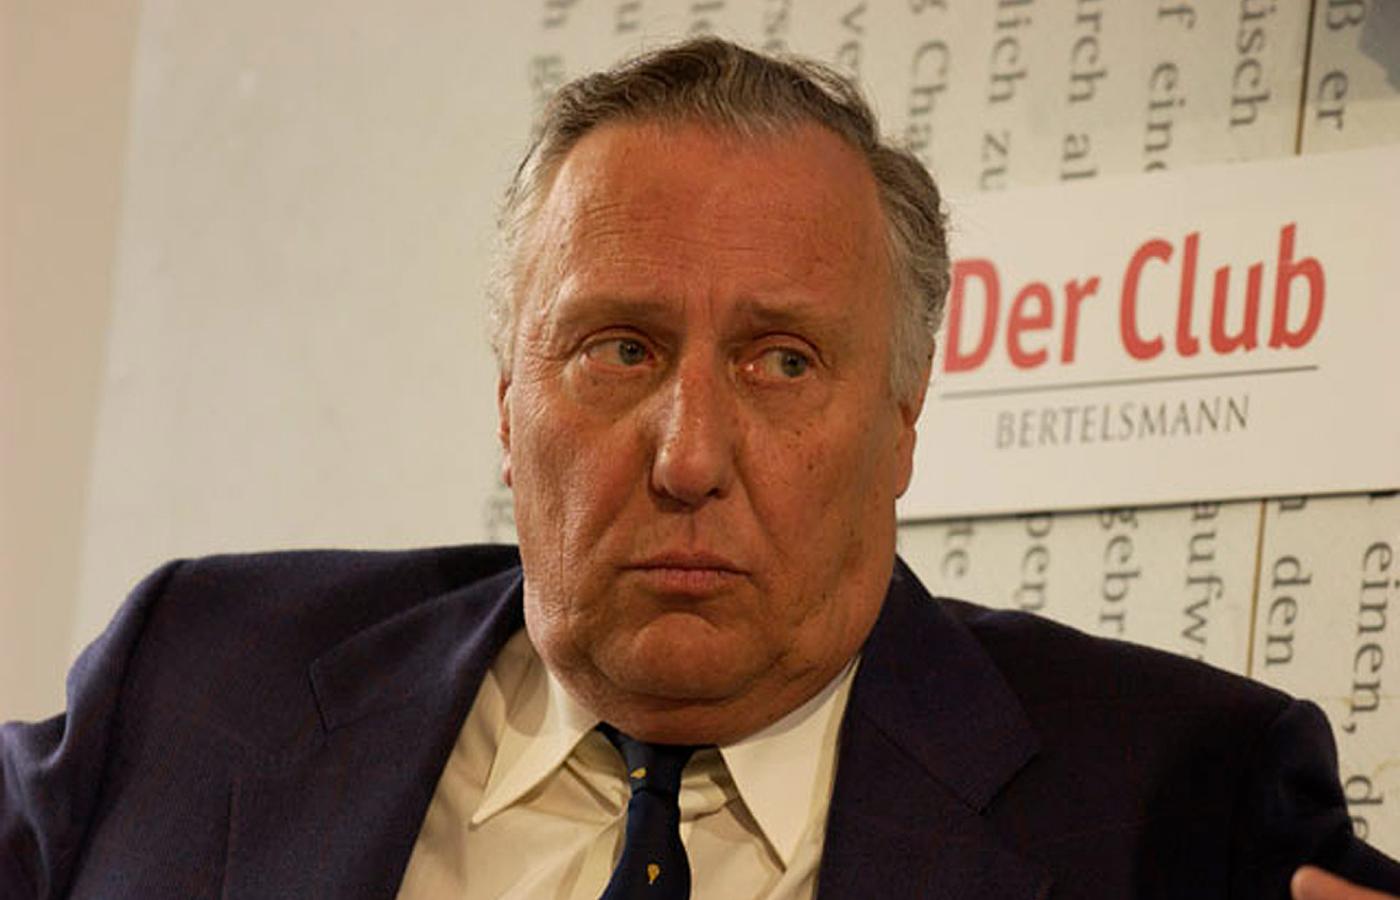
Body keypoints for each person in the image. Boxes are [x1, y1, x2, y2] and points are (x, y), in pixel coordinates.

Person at [2, 37, 1398, 900]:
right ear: (509, 402)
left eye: (782, 362)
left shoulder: (1177, 801)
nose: (688, 458)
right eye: (619, 349)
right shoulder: (200, 678)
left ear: (903, 422)